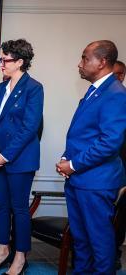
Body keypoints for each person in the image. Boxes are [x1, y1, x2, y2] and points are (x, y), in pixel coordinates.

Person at [56, 40, 126, 274]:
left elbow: (109, 142)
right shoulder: (95, 89)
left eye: (85, 58)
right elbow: (85, 134)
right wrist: (67, 158)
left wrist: (73, 164)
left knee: (99, 243)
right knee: (82, 241)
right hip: (80, 180)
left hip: (96, 182)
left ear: (102, 62)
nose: (80, 63)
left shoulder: (115, 93)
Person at [0, 39, 44, 274]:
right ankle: (2, 250)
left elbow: (30, 127)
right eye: (1, 59)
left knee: (18, 209)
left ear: (20, 62)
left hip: (19, 160)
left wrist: (5, 156)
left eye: (4, 60)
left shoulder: (34, 88)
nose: (1, 64)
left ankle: (20, 257)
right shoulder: (0, 88)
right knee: (0, 207)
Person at [113, 59, 126, 270]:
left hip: (122, 172)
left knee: (119, 219)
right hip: (98, 172)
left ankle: (114, 254)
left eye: (120, 74)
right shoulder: (90, 98)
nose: (117, 78)